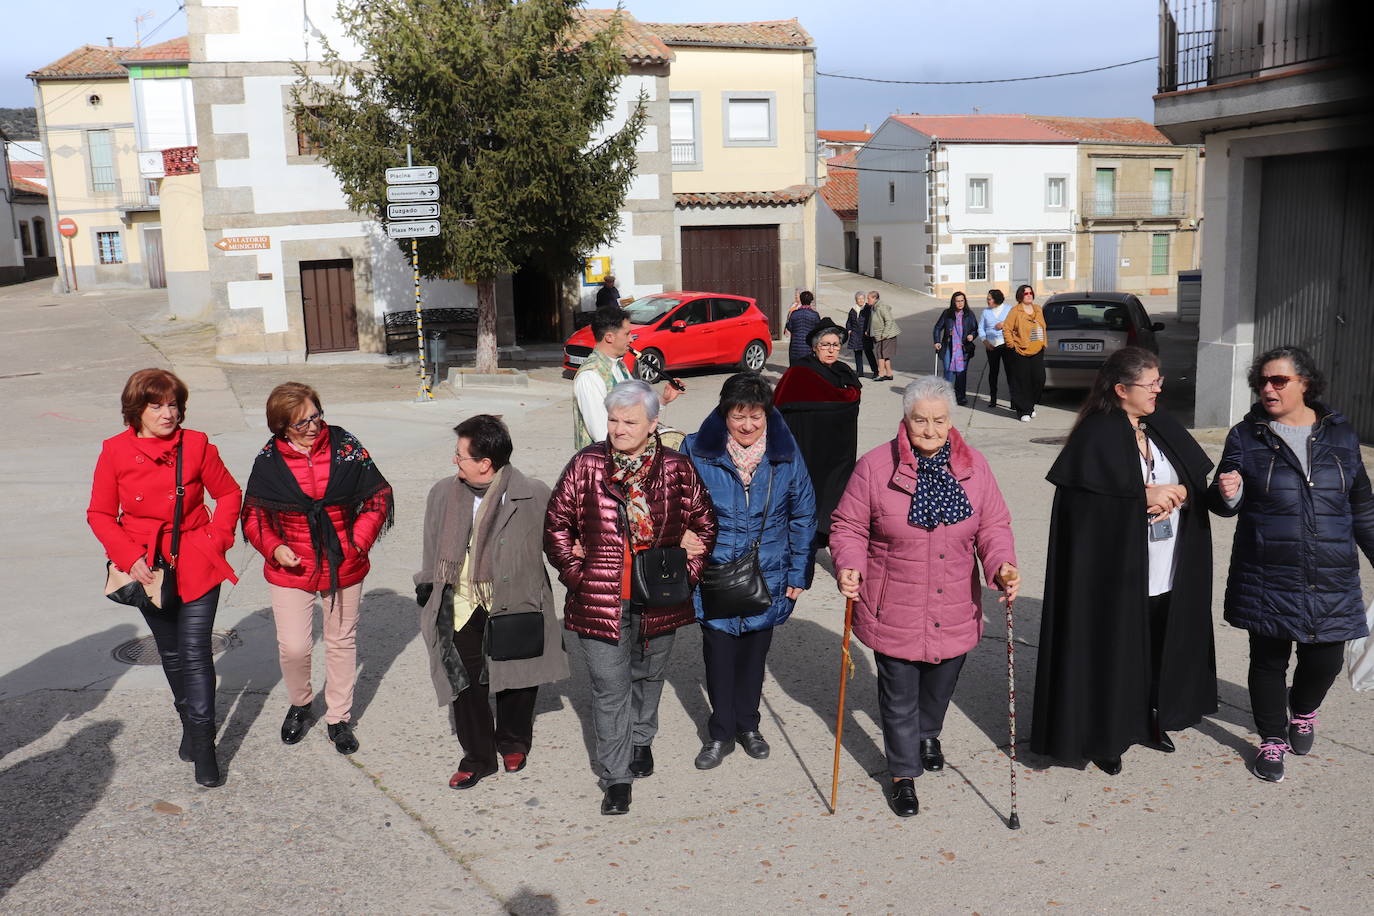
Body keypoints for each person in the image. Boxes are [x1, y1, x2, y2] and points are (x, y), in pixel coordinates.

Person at [831, 376, 1019, 817]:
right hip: (892, 601)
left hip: (955, 601)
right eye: (920, 421)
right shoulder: (876, 467)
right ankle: (903, 774)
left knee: (939, 685)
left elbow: (993, 525)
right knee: (898, 695)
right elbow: (848, 526)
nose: (931, 430)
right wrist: (848, 563)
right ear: (905, 419)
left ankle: (927, 732)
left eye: (939, 420)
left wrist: (1001, 564)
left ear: (951, 420)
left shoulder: (974, 467)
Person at [1031, 347, 1216, 775]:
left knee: (1156, 648)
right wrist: (1140, 497)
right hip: (1116, 572)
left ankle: (1152, 720)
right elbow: (1080, 511)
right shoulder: (1096, 434)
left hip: (1167, 566)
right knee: (1113, 655)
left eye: (1159, 382)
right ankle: (1106, 736)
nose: (1158, 390)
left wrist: (1182, 493)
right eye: (1149, 384)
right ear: (1120, 390)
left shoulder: (1159, 426)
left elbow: (1191, 479)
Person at [544, 380, 718, 815]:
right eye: (613, 420)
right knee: (609, 688)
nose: (619, 429)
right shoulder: (586, 465)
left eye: (629, 421)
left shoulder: (677, 469)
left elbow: (707, 526)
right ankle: (616, 777)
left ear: (653, 424)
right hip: (599, 601)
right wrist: (578, 574)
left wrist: (684, 573)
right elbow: (556, 527)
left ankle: (642, 739)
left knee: (648, 676)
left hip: (659, 599)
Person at [1208, 346, 1374, 783]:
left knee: (1325, 662)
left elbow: (1362, 507)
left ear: (1305, 384)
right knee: (1268, 661)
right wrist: (1228, 492)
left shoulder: (1340, 434)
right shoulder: (1247, 436)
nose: (1268, 388)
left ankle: (1302, 711)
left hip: (1331, 572)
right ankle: (1271, 739)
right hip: (1268, 571)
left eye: (1279, 380)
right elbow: (1223, 503)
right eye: (1262, 381)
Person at [87, 368, 242, 788]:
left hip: (196, 558)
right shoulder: (115, 452)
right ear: (136, 410)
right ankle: (189, 726)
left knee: (194, 653)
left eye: (173, 404)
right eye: (157, 405)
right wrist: (128, 555)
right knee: (171, 653)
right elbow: (99, 514)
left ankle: (205, 744)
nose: (168, 413)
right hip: (147, 568)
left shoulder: (196, 445)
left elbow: (228, 493)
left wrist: (217, 538)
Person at [416, 414, 569, 789]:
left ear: (485, 463)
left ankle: (513, 740)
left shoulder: (532, 493)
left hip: (515, 601)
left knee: (518, 678)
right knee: (464, 683)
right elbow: (432, 547)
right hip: (462, 601)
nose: (455, 461)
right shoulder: (442, 493)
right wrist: (428, 586)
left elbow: (558, 544)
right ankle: (478, 757)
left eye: (461, 455)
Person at [242, 382, 394, 757]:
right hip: (291, 567)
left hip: (345, 560)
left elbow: (378, 496)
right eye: (300, 423)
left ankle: (338, 717)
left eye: (316, 416)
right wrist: (275, 548)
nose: (312, 427)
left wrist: (357, 542)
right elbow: (254, 514)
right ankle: (301, 701)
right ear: (280, 427)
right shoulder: (268, 460)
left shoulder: (346, 447)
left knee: (342, 642)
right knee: (294, 647)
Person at [681, 373, 817, 769]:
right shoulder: (697, 450)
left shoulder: (784, 453)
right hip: (715, 572)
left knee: (755, 655)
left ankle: (748, 724)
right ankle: (721, 732)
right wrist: (683, 537)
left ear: (767, 415)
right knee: (719, 656)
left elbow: (804, 515)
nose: (747, 425)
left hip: (769, 572)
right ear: (724, 413)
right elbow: (676, 506)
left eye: (756, 416)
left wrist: (798, 573)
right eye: (738, 416)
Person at [773, 319, 862, 549]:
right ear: (814, 347)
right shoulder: (800, 373)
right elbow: (778, 411)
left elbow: (851, 401)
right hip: (810, 448)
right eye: (825, 345)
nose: (831, 349)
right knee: (810, 496)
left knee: (837, 496)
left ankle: (830, 535)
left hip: (839, 452)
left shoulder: (844, 373)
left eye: (835, 344)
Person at [572, 306, 682, 450]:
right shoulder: (590, 376)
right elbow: (602, 434)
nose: (631, 339)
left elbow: (634, 409)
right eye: (627, 334)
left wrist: (663, 400)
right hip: (602, 466)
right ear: (609, 337)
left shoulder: (620, 366)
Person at [1002, 284, 1047, 422]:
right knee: (1022, 381)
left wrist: (1043, 342)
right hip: (1021, 350)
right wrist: (1011, 345)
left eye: (1030, 293)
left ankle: (1030, 405)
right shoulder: (1015, 311)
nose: (1029, 295)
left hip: (1037, 349)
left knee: (1039, 379)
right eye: (1026, 293)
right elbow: (1006, 329)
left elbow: (1043, 326)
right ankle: (1023, 410)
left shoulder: (1038, 309)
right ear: (1020, 296)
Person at [933, 291, 979, 406]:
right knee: (948, 370)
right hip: (948, 345)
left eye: (962, 301)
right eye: (957, 301)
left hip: (964, 348)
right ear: (953, 302)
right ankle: (947, 396)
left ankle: (960, 397)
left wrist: (972, 336)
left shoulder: (969, 314)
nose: (960, 303)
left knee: (961, 373)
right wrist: (937, 341)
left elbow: (975, 329)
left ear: (965, 301)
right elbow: (937, 328)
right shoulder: (947, 313)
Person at [978, 289, 1012, 410]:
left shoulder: (1009, 309)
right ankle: (993, 399)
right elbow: (981, 328)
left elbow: (1015, 324)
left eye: (989, 298)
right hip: (991, 346)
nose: (987, 301)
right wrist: (985, 341)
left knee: (1010, 372)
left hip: (1006, 345)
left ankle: (1013, 401)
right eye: (987, 298)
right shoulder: (985, 312)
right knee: (993, 372)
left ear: (997, 299)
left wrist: (1004, 324)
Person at [868, 290, 900, 381]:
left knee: (880, 354)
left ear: (874, 298)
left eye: (869, 298)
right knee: (884, 354)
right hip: (881, 335)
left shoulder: (881, 307)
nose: (867, 300)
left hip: (886, 335)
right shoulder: (874, 307)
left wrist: (885, 334)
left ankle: (881, 374)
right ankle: (889, 374)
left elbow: (889, 320)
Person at [784, 290, 821, 365]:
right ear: (811, 301)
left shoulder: (794, 314)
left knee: (796, 370)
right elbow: (818, 330)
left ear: (801, 300)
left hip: (795, 347)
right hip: (809, 348)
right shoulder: (814, 315)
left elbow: (790, 327)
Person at [844, 291, 873, 378]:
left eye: (862, 298)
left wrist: (869, 331)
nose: (860, 300)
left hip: (865, 335)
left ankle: (875, 371)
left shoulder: (868, 308)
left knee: (869, 353)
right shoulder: (853, 309)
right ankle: (859, 372)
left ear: (864, 299)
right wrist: (849, 330)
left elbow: (871, 321)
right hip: (855, 335)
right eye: (858, 299)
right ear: (856, 300)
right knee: (857, 354)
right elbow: (849, 321)